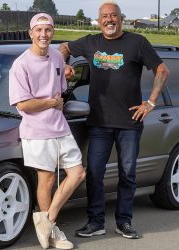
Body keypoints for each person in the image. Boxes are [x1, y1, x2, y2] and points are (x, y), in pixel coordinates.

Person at [59, 0, 169, 240]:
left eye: (113, 15)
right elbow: (64, 47)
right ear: (99, 21)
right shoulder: (90, 42)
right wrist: (65, 68)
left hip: (130, 123)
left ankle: (124, 222)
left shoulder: (137, 42)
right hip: (99, 123)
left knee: (127, 173)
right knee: (95, 173)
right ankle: (96, 222)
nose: (109, 20)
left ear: (121, 18)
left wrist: (149, 103)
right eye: (105, 16)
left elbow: (161, 70)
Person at [9, 13, 86, 249]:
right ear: (31, 33)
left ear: (53, 32)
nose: (44, 35)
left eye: (48, 30)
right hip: (37, 130)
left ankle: (48, 221)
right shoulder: (20, 65)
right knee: (48, 179)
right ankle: (51, 234)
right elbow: (23, 104)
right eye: (39, 30)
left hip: (59, 126)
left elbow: (60, 89)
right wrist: (52, 103)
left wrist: (66, 76)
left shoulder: (55, 56)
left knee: (78, 174)